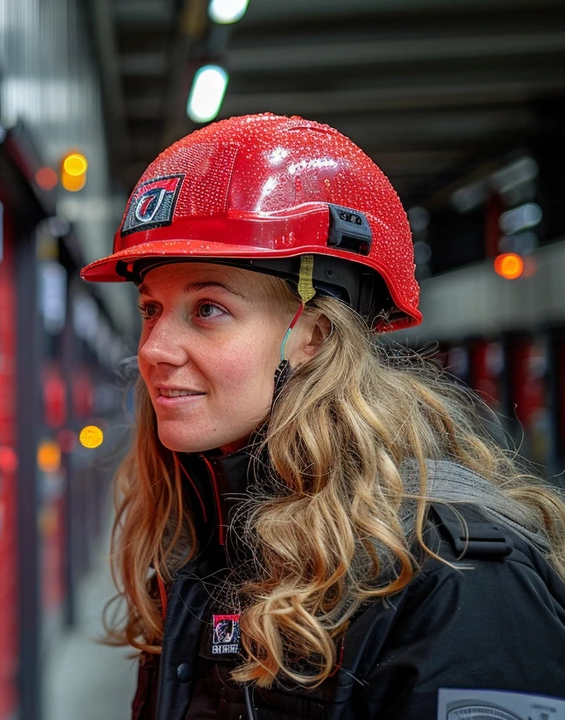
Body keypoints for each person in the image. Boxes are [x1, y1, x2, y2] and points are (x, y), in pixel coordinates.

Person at [82, 113, 565, 719]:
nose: (152, 348)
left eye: (207, 308)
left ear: (311, 334)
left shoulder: (458, 578)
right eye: (152, 308)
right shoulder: (208, 536)